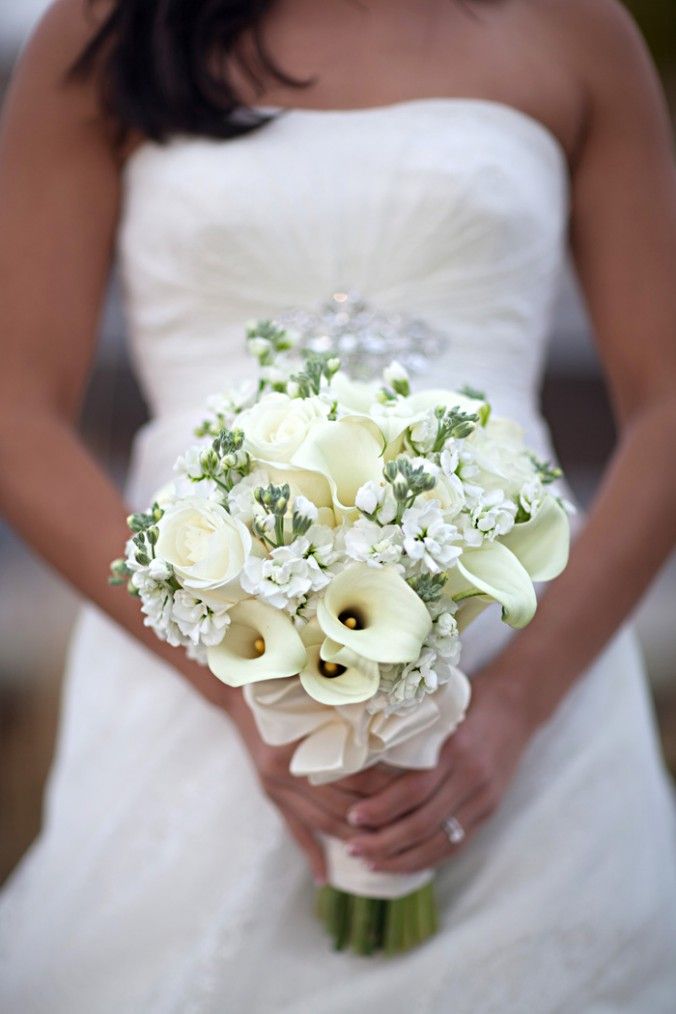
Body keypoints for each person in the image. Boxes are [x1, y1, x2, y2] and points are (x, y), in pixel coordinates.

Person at [1, 0, 675, 1009]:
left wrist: (513, 708)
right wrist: (237, 688)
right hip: (190, 672)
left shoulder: (574, 29)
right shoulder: (104, 28)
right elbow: (15, 410)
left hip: (527, 668)